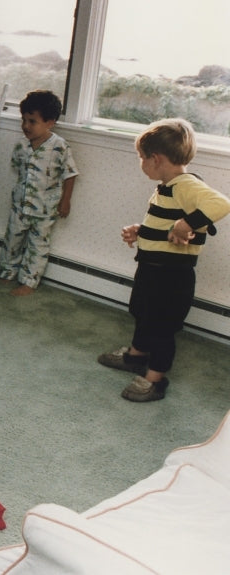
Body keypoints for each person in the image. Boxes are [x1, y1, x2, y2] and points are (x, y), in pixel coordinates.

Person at [97, 118, 230, 402]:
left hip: (172, 276)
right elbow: (164, 224)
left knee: (161, 326)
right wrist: (141, 230)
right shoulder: (167, 185)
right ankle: (136, 355)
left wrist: (187, 224)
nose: (141, 163)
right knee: (143, 313)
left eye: (141, 158)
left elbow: (222, 203)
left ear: (155, 159)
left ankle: (155, 379)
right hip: (152, 269)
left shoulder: (185, 185)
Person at [0, 90, 78, 296]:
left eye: (32, 121)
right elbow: (17, 169)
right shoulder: (21, 145)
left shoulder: (59, 146)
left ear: (50, 122)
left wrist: (65, 201)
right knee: (12, 239)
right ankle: (8, 272)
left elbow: (70, 174)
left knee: (37, 246)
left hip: (45, 209)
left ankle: (29, 281)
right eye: (23, 120)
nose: (26, 126)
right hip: (19, 205)